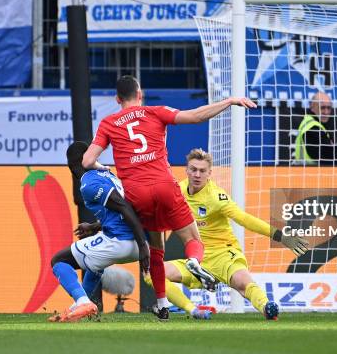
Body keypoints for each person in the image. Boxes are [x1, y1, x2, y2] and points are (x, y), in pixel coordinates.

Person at [82, 75, 257, 320]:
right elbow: (196, 116)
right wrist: (228, 101)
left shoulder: (108, 123)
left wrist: (104, 169)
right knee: (193, 239)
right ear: (140, 95)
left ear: (117, 99)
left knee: (156, 248)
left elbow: (87, 161)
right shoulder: (155, 112)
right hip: (164, 185)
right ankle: (195, 262)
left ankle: (162, 305)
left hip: (137, 193)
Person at [78, 149, 309, 320]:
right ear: (187, 170)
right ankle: (193, 310)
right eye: (193, 170)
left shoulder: (217, 197)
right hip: (194, 261)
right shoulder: (176, 191)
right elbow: (137, 214)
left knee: (241, 282)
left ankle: (268, 307)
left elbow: (244, 219)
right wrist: (97, 226)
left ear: (210, 174)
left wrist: (281, 236)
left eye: (202, 171)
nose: (197, 175)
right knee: (153, 273)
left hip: (223, 255)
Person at [48, 141, 150, 322]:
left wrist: (143, 246)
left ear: (72, 166)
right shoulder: (106, 174)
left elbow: (123, 206)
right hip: (131, 240)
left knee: (59, 260)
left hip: (121, 241)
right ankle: (81, 308)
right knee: (95, 263)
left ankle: (82, 302)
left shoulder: (89, 183)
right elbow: (118, 211)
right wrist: (94, 226)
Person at [294, 91, 337, 164]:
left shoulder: (313, 123)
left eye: (329, 108)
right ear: (312, 107)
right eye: (322, 108)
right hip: (310, 172)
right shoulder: (312, 127)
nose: (326, 112)